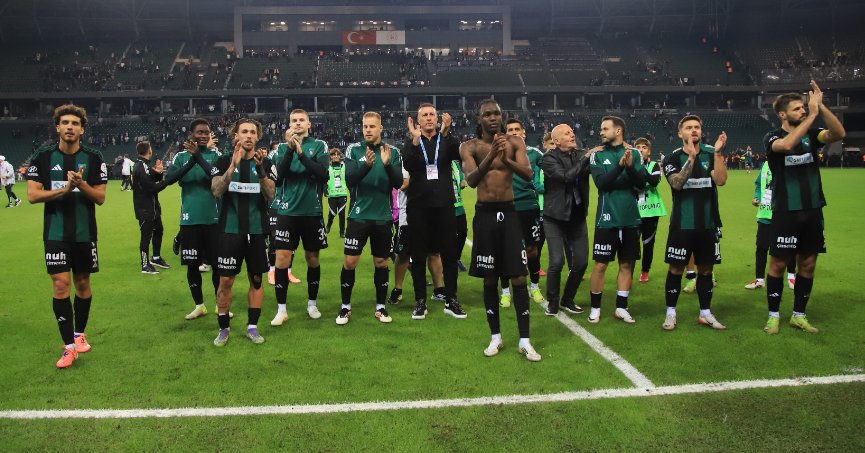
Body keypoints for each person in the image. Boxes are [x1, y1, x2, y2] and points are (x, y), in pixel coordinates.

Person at [26, 104, 107, 368]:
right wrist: (64, 189)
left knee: (82, 283)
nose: (70, 127)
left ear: (82, 129)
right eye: (65, 123)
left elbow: (100, 197)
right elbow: (32, 195)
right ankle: (69, 348)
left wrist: (81, 184)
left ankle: (79, 334)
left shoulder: (94, 158)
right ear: (57, 127)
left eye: (75, 123)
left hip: (85, 233)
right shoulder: (42, 157)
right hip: (55, 233)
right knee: (61, 285)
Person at [762, 81, 845, 334]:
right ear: (782, 114)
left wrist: (820, 106)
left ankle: (799, 315)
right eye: (797, 109)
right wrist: (811, 115)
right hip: (786, 211)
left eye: (803, 108)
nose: (802, 111)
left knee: (808, 264)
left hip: (812, 209)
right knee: (778, 264)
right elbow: (786, 146)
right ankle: (773, 315)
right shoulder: (772, 137)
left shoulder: (812, 134)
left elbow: (838, 134)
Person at [461, 99, 540, 362]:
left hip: (510, 213)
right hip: (485, 215)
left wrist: (505, 158)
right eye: (487, 114)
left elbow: (528, 174)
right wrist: (492, 155)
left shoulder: (514, 142)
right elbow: (471, 180)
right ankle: (495, 337)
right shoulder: (469, 146)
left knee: (518, 277)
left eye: (496, 113)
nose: (493, 118)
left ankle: (525, 340)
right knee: (490, 278)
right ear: (478, 118)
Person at [210, 118, 275, 346]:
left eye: (252, 132)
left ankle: (252, 327)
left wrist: (260, 170)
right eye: (244, 132)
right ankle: (223, 328)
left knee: (256, 280)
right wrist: (232, 167)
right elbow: (217, 191)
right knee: (226, 280)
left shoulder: (266, 162)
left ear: (258, 137)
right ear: (235, 136)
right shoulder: (222, 160)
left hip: (257, 231)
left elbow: (271, 194)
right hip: (229, 231)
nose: (248, 135)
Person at [661, 115, 728, 331]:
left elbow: (721, 180)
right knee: (676, 269)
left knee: (706, 270)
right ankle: (671, 312)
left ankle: (705, 313)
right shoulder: (672, 158)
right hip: (682, 224)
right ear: (680, 133)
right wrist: (691, 158)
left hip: (708, 224)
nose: (693, 130)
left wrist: (717, 153)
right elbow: (676, 184)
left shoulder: (710, 153)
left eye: (697, 127)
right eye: (688, 127)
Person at [336, 112, 403, 325]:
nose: (367, 130)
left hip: (382, 217)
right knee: (350, 262)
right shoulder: (353, 150)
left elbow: (399, 183)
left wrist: (387, 165)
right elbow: (350, 179)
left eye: (372, 126)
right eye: (365, 126)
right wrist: (367, 165)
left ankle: (380, 307)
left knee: (381, 262)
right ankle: (345, 307)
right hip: (358, 215)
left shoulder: (392, 152)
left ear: (381, 128)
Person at [403, 103, 466, 320]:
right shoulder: (411, 143)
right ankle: (420, 301)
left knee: (449, 254)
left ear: (437, 119)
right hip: (418, 207)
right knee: (418, 255)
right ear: (418, 121)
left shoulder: (446, 140)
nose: (429, 118)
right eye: (425, 115)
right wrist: (414, 140)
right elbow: (409, 165)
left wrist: (447, 132)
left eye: (432, 115)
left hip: (444, 205)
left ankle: (451, 299)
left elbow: (459, 154)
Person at [270, 109, 330, 326]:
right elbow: (279, 177)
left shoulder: (319, 145)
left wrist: (302, 154)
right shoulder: (281, 149)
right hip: (287, 212)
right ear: (289, 125)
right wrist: (289, 149)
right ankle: (281, 310)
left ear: (309, 124)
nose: (297, 123)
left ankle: (312, 304)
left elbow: (323, 174)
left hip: (312, 212)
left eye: (301, 120)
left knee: (312, 258)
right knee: (282, 259)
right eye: (294, 120)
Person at [587, 117, 648, 324]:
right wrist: (621, 167)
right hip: (606, 219)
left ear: (618, 131)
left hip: (631, 219)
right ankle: (595, 308)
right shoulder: (596, 155)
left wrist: (630, 168)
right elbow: (602, 183)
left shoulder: (635, 154)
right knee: (600, 265)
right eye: (601, 129)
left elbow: (641, 184)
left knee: (626, 265)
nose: (601, 132)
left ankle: (621, 307)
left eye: (605, 128)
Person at [168, 119, 225, 320]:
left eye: (206, 132)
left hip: (213, 219)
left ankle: (220, 305)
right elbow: (170, 179)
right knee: (192, 265)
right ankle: (199, 305)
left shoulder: (216, 156)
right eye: (199, 132)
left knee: (217, 266)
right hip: (189, 219)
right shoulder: (180, 157)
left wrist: (198, 156)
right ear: (191, 134)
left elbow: (216, 177)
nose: (203, 135)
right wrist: (192, 159)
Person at [541, 124, 590, 316]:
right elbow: (566, 177)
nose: (572, 134)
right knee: (557, 262)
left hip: (577, 217)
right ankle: (552, 302)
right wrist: (585, 159)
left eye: (572, 131)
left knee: (581, 263)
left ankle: (567, 299)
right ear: (556, 141)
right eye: (567, 133)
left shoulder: (580, 155)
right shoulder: (549, 158)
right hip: (555, 217)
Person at [499, 119, 545, 307]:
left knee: (532, 249)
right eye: (510, 130)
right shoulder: (499, 153)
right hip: (506, 207)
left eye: (517, 129)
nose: (514, 132)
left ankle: (534, 287)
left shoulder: (534, 153)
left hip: (528, 206)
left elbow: (551, 167)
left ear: (524, 132)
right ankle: (505, 291)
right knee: (505, 250)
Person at [131, 141, 187, 274]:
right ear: (148, 150)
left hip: (153, 208)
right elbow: (151, 188)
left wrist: (159, 173)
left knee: (159, 231)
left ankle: (156, 257)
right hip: (145, 209)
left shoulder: (143, 165)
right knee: (146, 236)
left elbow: (153, 178)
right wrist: (166, 181)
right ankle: (145, 265)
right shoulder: (140, 166)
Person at [745, 160, 796, 290]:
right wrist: (756, 196)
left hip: (784, 214)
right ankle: (759, 279)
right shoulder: (766, 165)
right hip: (765, 214)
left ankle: (791, 276)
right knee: (761, 247)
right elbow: (758, 184)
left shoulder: (789, 163)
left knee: (788, 246)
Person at [634, 138, 667, 283]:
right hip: (633, 211)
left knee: (648, 243)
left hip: (651, 211)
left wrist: (640, 167)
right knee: (632, 243)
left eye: (644, 147)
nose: (641, 150)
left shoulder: (654, 165)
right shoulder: (629, 166)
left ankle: (645, 271)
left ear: (649, 151)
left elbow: (653, 182)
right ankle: (628, 270)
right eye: (638, 147)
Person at [325, 148, 348, 238]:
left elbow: (349, 177)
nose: (336, 156)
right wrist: (325, 189)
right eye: (334, 155)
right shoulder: (328, 167)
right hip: (332, 193)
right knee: (332, 212)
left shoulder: (344, 166)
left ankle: (342, 232)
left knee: (342, 214)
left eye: (338, 154)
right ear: (330, 156)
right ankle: (328, 225)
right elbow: (324, 178)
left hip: (342, 193)